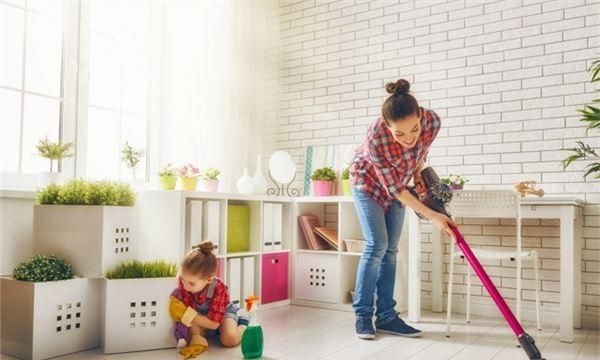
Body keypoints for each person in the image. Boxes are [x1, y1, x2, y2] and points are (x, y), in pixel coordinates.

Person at [350, 78, 458, 340]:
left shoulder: (432, 122)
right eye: (399, 134)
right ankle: (363, 315)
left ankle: (387, 316)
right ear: (387, 127)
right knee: (377, 245)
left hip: (399, 183)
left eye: (414, 129)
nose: (409, 138)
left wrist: (419, 172)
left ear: (421, 116)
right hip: (368, 184)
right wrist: (433, 215)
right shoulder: (375, 136)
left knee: (391, 250)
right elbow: (394, 188)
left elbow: (420, 152)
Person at [169, 241, 249, 358]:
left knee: (229, 339)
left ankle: (242, 324)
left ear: (209, 280)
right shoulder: (186, 283)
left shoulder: (218, 287)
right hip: (200, 314)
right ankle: (210, 334)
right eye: (182, 279)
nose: (185, 286)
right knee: (192, 338)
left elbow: (214, 324)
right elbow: (191, 312)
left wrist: (187, 314)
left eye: (191, 283)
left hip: (221, 315)